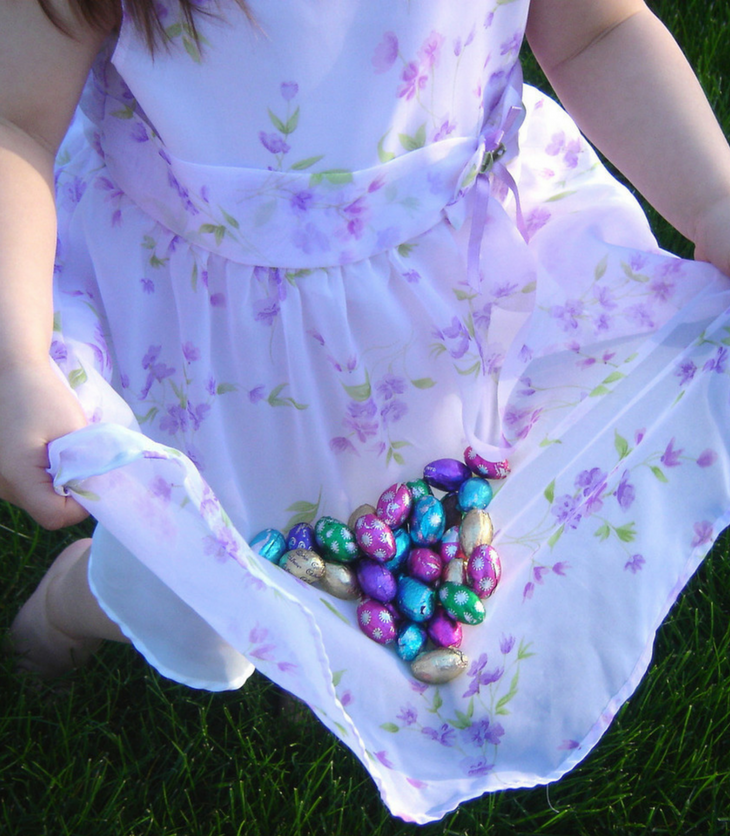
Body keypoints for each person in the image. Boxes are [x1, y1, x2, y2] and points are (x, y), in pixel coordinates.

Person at [2, 0, 730, 823]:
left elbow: (599, 29)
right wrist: (13, 359)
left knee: (407, 524)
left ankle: (339, 655)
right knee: (206, 582)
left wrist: (712, 196)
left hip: (446, 302)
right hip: (221, 340)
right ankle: (72, 607)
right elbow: (16, 119)